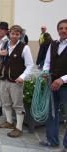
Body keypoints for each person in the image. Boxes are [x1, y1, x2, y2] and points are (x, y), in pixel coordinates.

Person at [0, 25, 34, 138]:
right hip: (4, 79)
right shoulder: (5, 44)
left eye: (17, 34)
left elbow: (30, 65)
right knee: (6, 102)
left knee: (18, 105)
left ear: (20, 35)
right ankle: (9, 122)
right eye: (12, 33)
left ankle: (19, 128)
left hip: (16, 81)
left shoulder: (24, 48)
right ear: (9, 33)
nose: (14, 36)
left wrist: (22, 77)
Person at [39, 19, 67, 150]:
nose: (63, 30)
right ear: (58, 30)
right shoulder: (53, 44)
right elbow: (47, 62)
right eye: (61, 28)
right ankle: (52, 140)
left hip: (65, 86)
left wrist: (63, 79)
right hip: (52, 84)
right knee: (52, 113)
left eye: (66, 28)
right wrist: (45, 71)